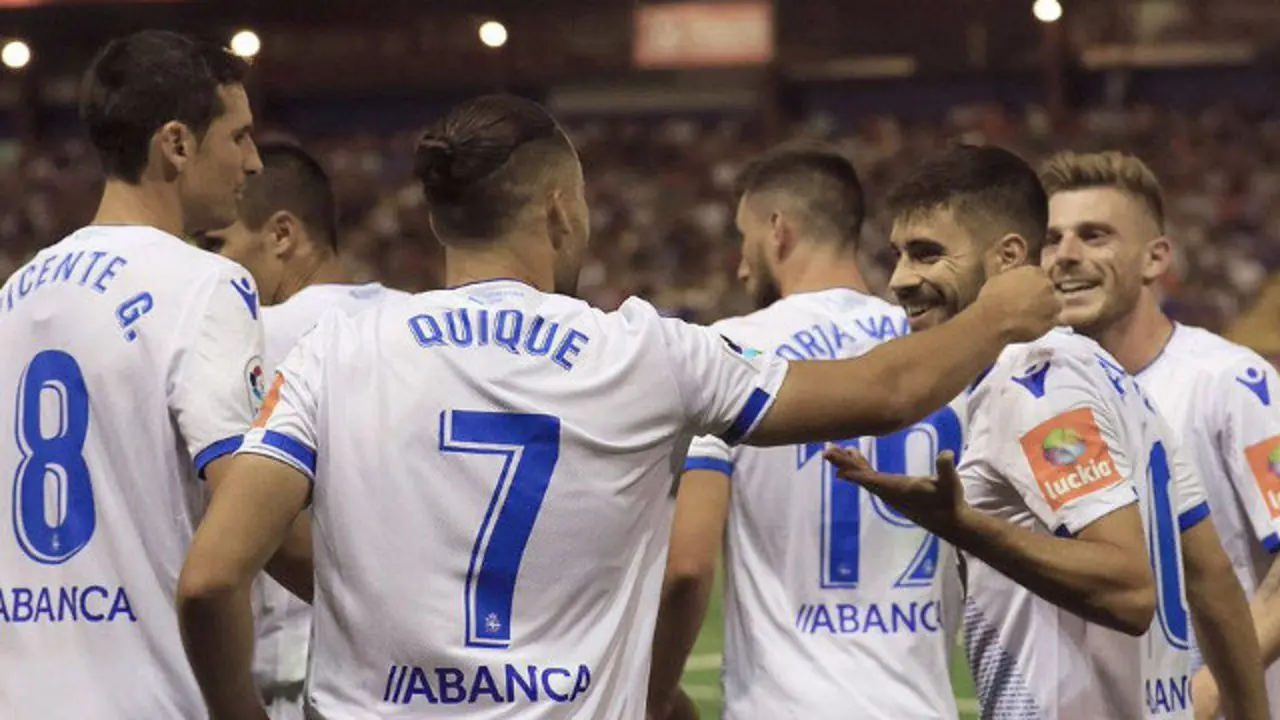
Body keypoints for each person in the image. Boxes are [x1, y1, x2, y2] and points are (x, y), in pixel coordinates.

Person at [174, 95, 1058, 720]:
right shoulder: (640, 353)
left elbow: (214, 576)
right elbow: (887, 390)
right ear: (559, 209)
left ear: (442, 221)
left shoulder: (339, 350)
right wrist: (996, 314)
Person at [825, 143, 1196, 718]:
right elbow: (1210, 575)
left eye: (926, 254)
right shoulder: (1109, 374)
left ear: (1007, 257)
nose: (899, 279)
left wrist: (963, 525)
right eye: (897, 255)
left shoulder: (1031, 382)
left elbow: (1129, 589)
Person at [648, 143, 965, 719]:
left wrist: (651, 698)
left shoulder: (730, 352)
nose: (742, 266)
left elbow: (689, 567)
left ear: (777, 231)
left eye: (743, 241)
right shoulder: (936, 357)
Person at [0, 30, 264, 718]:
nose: (255, 162)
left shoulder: (12, 296)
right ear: (176, 144)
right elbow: (241, 536)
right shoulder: (206, 286)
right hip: (150, 697)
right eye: (238, 137)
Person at [1040, 150, 1269, 719]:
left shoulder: (1230, 382)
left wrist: (1211, 690)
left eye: (1094, 236)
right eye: (1052, 239)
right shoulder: (1041, 397)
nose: (1066, 255)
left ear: (1155, 258)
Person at [195, 141, 406, 720]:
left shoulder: (247, 333)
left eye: (217, 245)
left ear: (282, 235)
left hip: (292, 663)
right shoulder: (420, 324)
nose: (208, 263)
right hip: (411, 665)